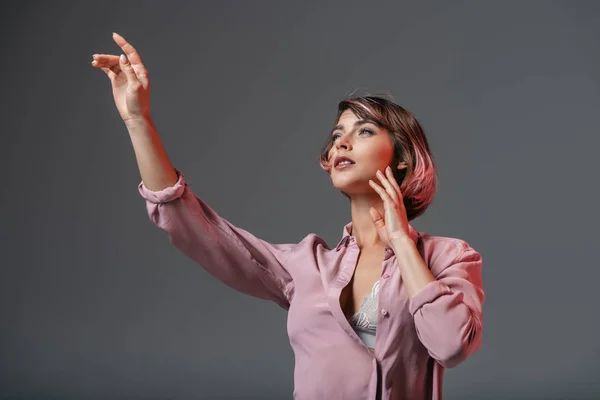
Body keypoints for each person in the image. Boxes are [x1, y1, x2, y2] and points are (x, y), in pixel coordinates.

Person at [91, 32, 485, 400]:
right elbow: (191, 221)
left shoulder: (450, 258)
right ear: (329, 161)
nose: (342, 141)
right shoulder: (305, 265)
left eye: (364, 131)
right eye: (336, 136)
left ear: (402, 160)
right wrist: (138, 121)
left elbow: (451, 345)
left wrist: (400, 242)